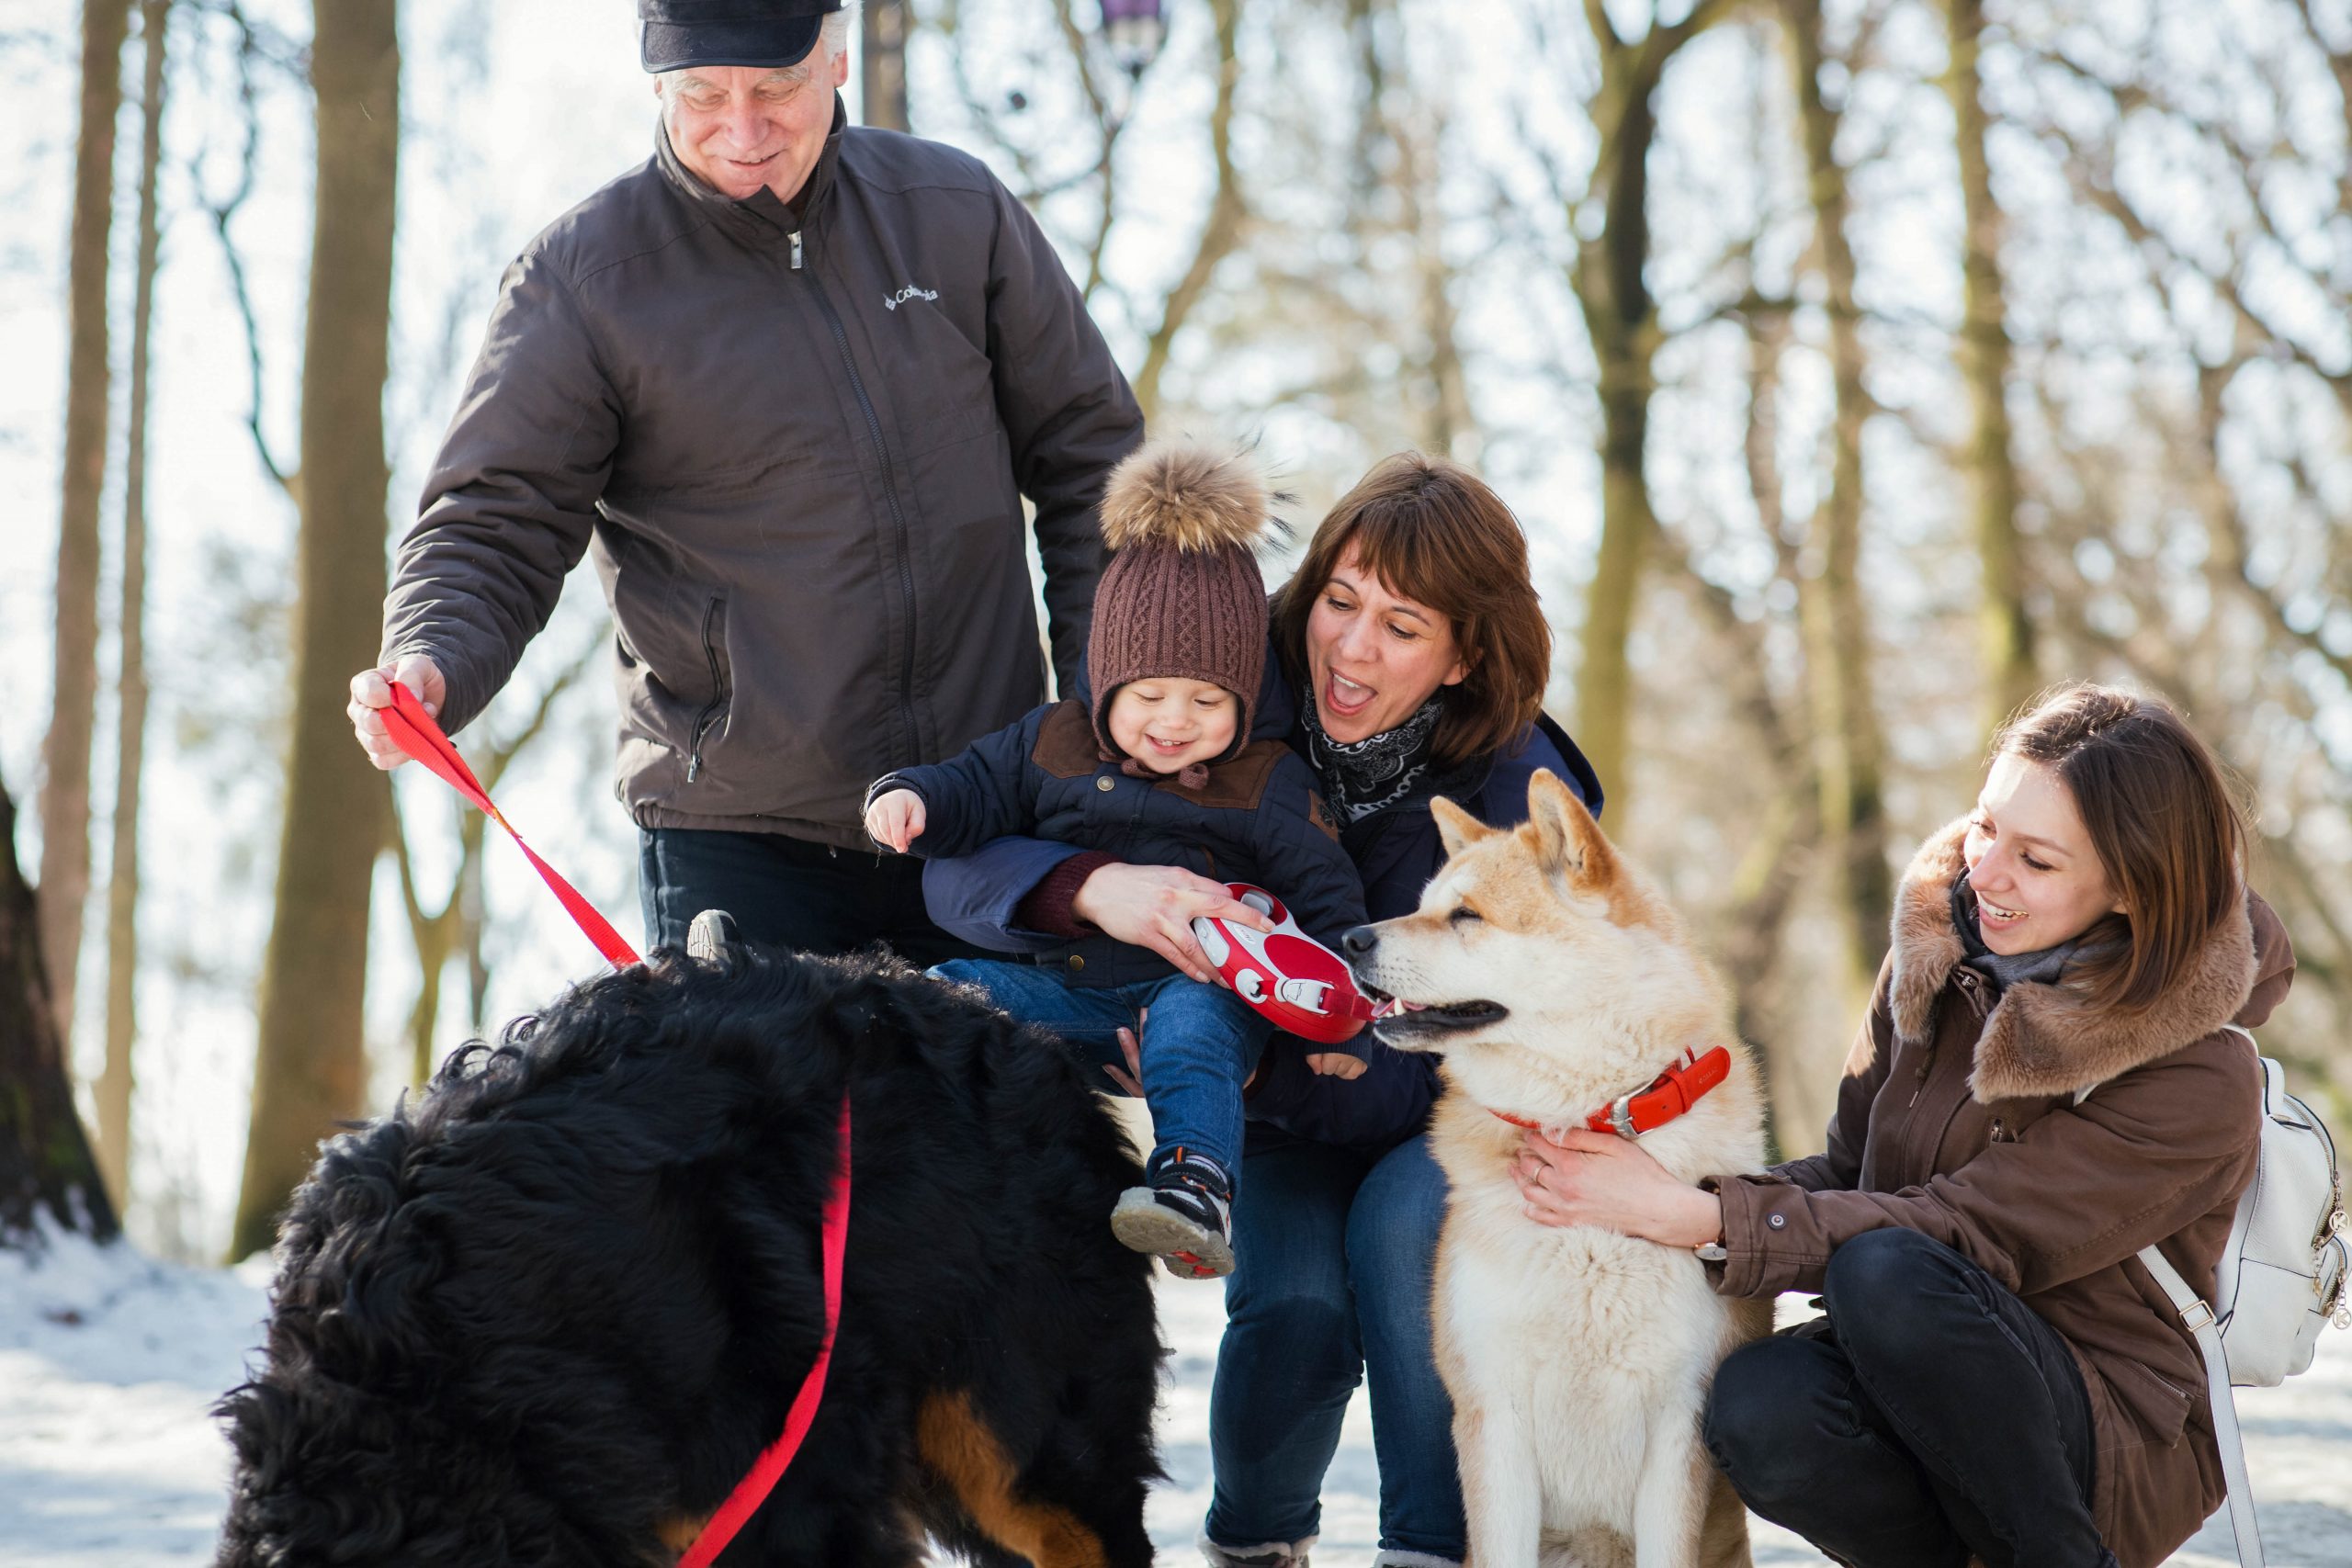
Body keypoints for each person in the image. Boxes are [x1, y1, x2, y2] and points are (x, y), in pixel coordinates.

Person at [345, 0, 1140, 962]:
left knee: (1005, 1114)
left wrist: (1114, 707)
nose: (743, 130)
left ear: (834, 56)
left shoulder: (954, 212)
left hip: (985, 817)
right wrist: (434, 652)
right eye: (703, 96)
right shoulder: (585, 280)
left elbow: (1092, 463)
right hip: (740, 839)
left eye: (774, 89)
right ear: (655, 84)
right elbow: (495, 516)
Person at [924, 453, 1602, 1568]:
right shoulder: (1207, 688)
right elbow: (962, 858)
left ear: (1463, 655)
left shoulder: (1510, 791)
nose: (1350, 646)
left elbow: (1498, 1024)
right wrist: (1090, 887)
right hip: (1280, 1106)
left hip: (1443, 1104)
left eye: (1400, 625)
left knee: (1401, 1259)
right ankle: (1256, 1545)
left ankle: (1433, 1548)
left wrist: (1259, 1070)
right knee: (1289, 1308)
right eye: (1339, 601)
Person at [1511, 683, 2297, 1568]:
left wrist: (1697, 1218)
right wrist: (1659, 1186)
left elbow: (1971, 1231)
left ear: (2128, 890)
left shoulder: (2198, 1071)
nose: (1986, 872)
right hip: (1910, 1376)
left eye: (2036, 861)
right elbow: (1852, 1175)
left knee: (1887, 1270)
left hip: (2105, 1438)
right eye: (1987, 824)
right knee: (1761, 1398)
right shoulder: (1936, 962)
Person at [865, 441, 1369, 1280]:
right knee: (957, 988)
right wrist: (912, 795)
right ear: (1106, 680)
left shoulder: (1269, 780)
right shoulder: (1052, 740)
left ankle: (1193, 1191)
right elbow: (974, 787)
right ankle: (874, 1097)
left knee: (1194, 1033)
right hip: (1062, 984)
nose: (1175, 721)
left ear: (1243, 696)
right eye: (1148, 696)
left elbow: (1330, 893)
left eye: (1207, 701)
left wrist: (1344, 1013)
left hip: (1195, 989)